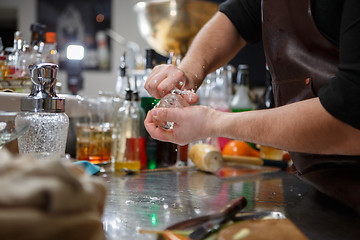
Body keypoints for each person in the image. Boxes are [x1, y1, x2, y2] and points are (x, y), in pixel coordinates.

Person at [144, 0, 360, 213]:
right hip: (325, 192)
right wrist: (188, 72)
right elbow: (238, 17)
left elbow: (349, 122)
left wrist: (213, 122)